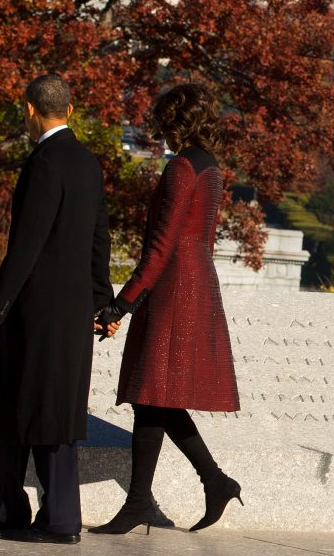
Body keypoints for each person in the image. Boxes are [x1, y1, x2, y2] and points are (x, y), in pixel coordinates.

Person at [0, 74, 118, 544]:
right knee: (24, 408)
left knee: (40, 411)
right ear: (70, 107)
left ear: (29, 110)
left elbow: (25, 246)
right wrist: (102, 302)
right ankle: (7, 508)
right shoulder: (87, 162)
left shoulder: (44, 162)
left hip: (36, 311)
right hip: (72, 310)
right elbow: (99, 239)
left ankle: (59, 519)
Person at [91, 83, 242, 535]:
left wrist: (122, 303)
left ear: (174, 119)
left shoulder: (181, 168)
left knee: (151, 393)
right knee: (154, 397)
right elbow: (197, 238)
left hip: (174, 286)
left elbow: (161, 245)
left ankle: (187, 488)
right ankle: (189, 488)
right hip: (195, 281)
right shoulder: (209, 166)